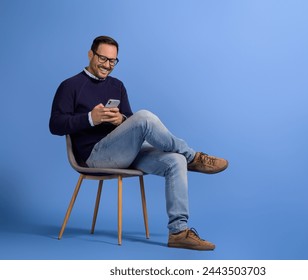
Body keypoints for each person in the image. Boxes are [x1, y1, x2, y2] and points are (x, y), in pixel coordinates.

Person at [49, 35, 228, 251]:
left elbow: (132, 123)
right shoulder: (70, 86)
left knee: (175, 160)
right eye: (102, 59)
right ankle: (194, 157)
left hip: (123, 152)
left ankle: (178, 232)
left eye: (112, 61)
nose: (107, 65)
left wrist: (121, 120)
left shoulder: (117, 86)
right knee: (145, 117)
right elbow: (55, 125)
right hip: (93, 157)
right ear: (90, 54)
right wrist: (90, 118)